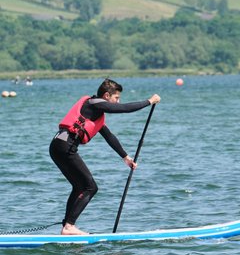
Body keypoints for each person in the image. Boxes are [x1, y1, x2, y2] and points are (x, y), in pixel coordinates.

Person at [50, 78, 161, 235]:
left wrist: (125, 157)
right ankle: (69, 226)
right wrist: (149, 101)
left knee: (79, 186)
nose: (118, 101)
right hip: (64, 146)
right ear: (107, 96)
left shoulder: (96, 112)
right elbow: (124, 109)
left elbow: (109, 136)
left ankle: (67, 226)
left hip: (58, 146)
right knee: (90, 187)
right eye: (116, 98)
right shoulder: (94, 103)